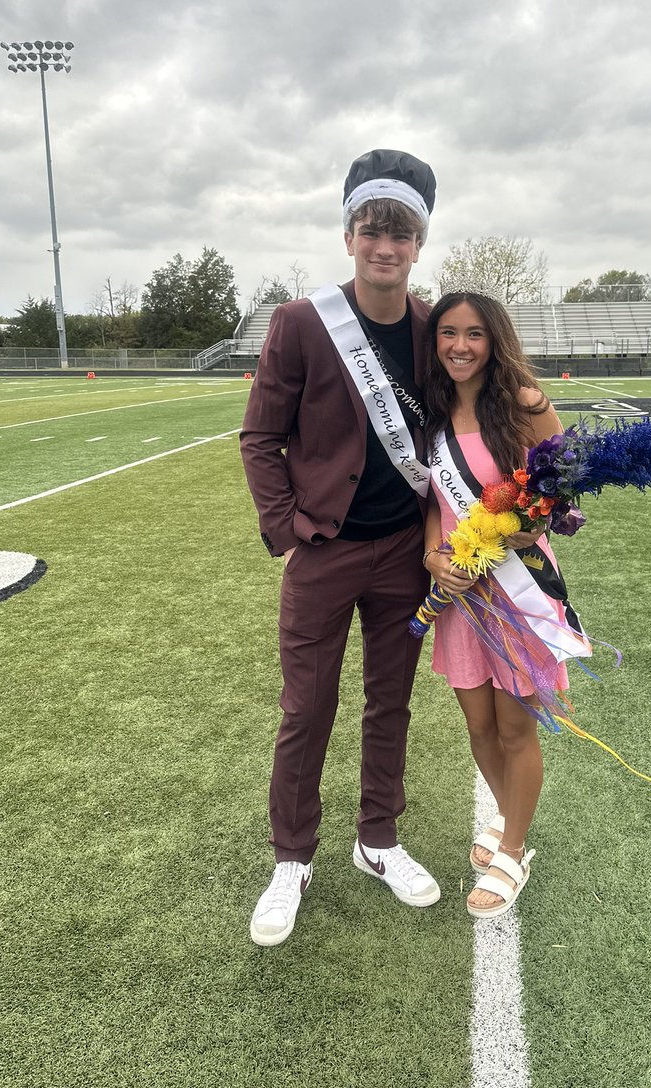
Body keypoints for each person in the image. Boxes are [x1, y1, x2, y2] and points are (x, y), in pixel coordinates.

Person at [240, 149, 440, 947]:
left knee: (389, 701)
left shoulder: (434, 328)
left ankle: (377, 840)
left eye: (401, 233)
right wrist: (288, 528)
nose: (384, 246)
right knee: (306, 706)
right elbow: (260, 436)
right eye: (371, 230)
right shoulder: (300, 322)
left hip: (402, 551)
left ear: (419, 244)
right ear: (349, 234)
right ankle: (292, 856)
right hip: (323, 551)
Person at [422, 291, 581, 920]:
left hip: (519, 586)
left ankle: (513, 847)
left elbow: (566, 494)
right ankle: (512, 818)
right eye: (448, 333)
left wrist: (525, 529)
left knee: (516, 728)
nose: (460, 346)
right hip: (463, 594)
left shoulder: (524, 404)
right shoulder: (429, 414)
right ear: (435, 342)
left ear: (495, 340)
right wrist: (435, 556)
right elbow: (434, 504)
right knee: (479, 726)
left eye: (475, 334)